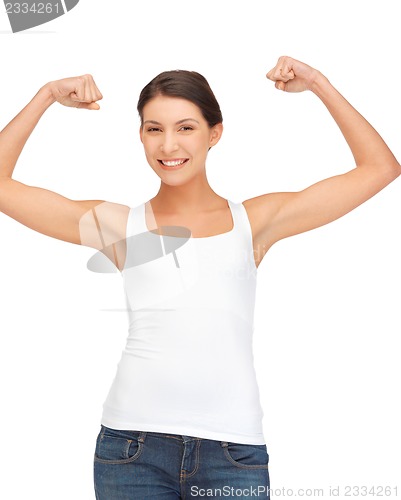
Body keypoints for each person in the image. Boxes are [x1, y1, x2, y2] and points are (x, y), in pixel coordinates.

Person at [0, 56, 399, 499]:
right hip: (132, 450)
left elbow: (379, 168)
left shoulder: (254, 223)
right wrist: (47, 96)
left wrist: (319, 83)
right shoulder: (118, 227)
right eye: (154, 129)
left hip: (234, 453)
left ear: (215, 133)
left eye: (185, 127)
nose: (168, 145)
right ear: (141, 136)